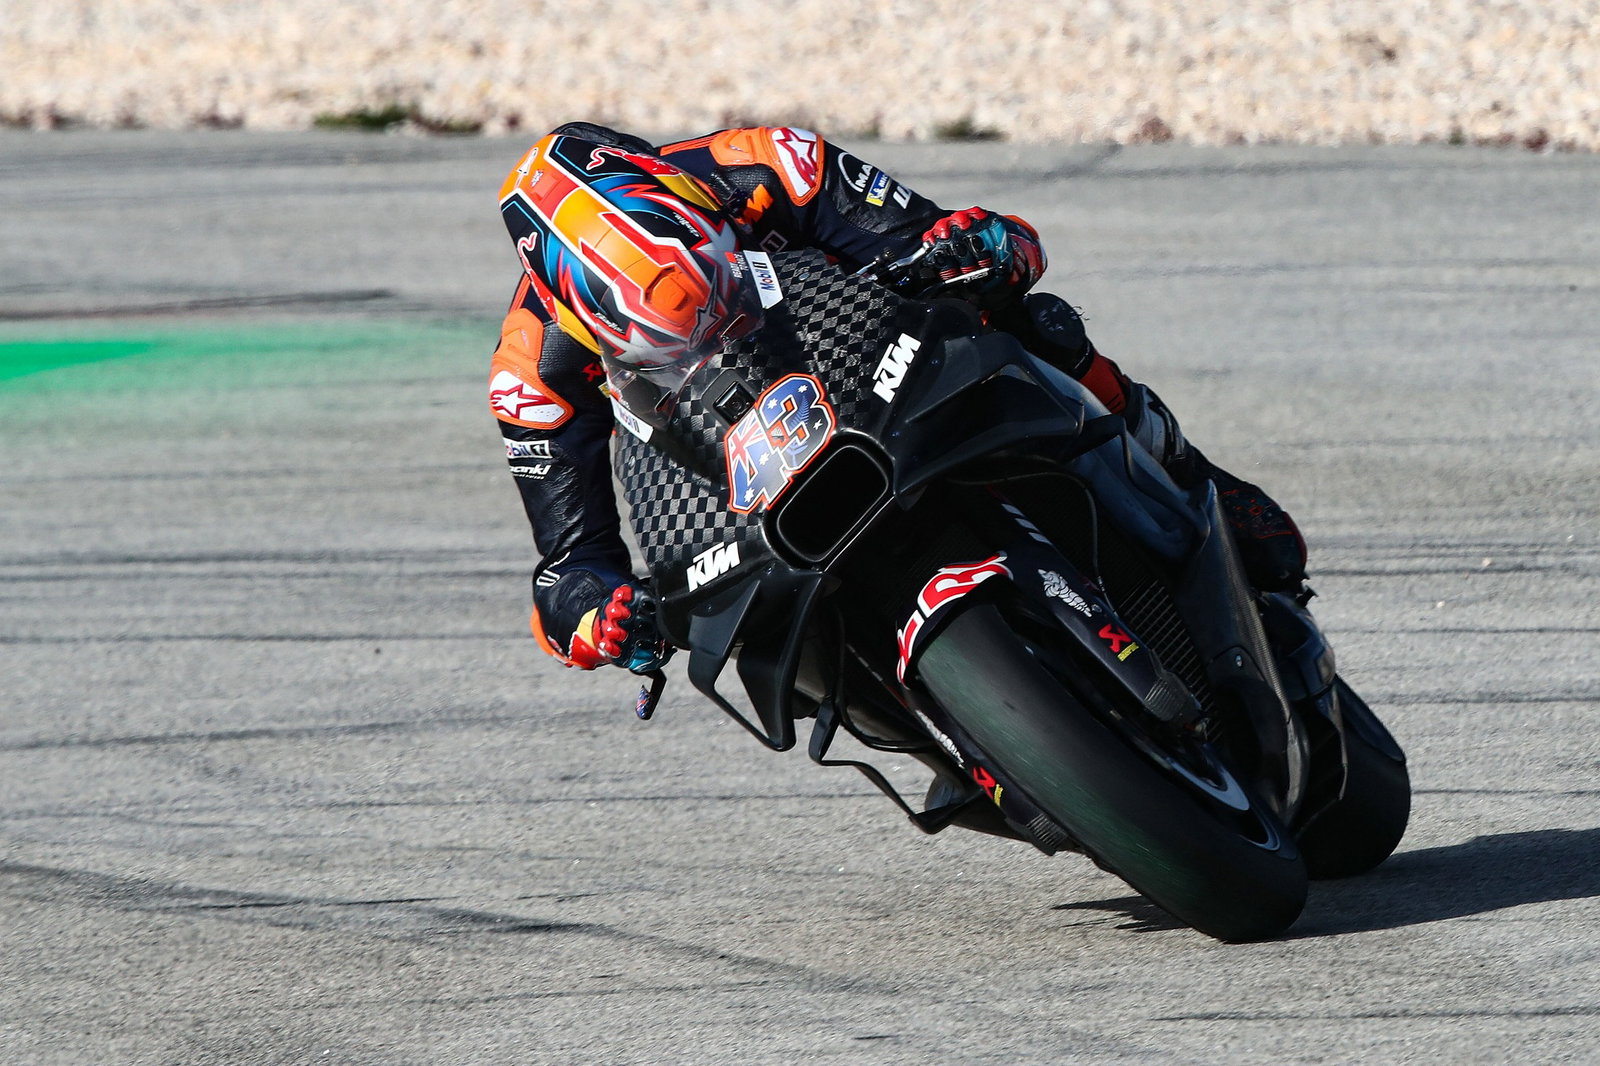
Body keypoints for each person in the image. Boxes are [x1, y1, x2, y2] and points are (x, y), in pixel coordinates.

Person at [489, 122, 1307, 674]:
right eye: (678, 327)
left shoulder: (768, 165)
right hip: (743, 492)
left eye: (714, 294)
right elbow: (565, 576)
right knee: (740, 635)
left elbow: (958, 236)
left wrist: (976, 248)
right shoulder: (533, 371)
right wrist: (603, 620)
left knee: (1036, 323)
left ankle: (1188, 473)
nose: (710, 323)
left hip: (876, 371)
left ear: (695, 210)